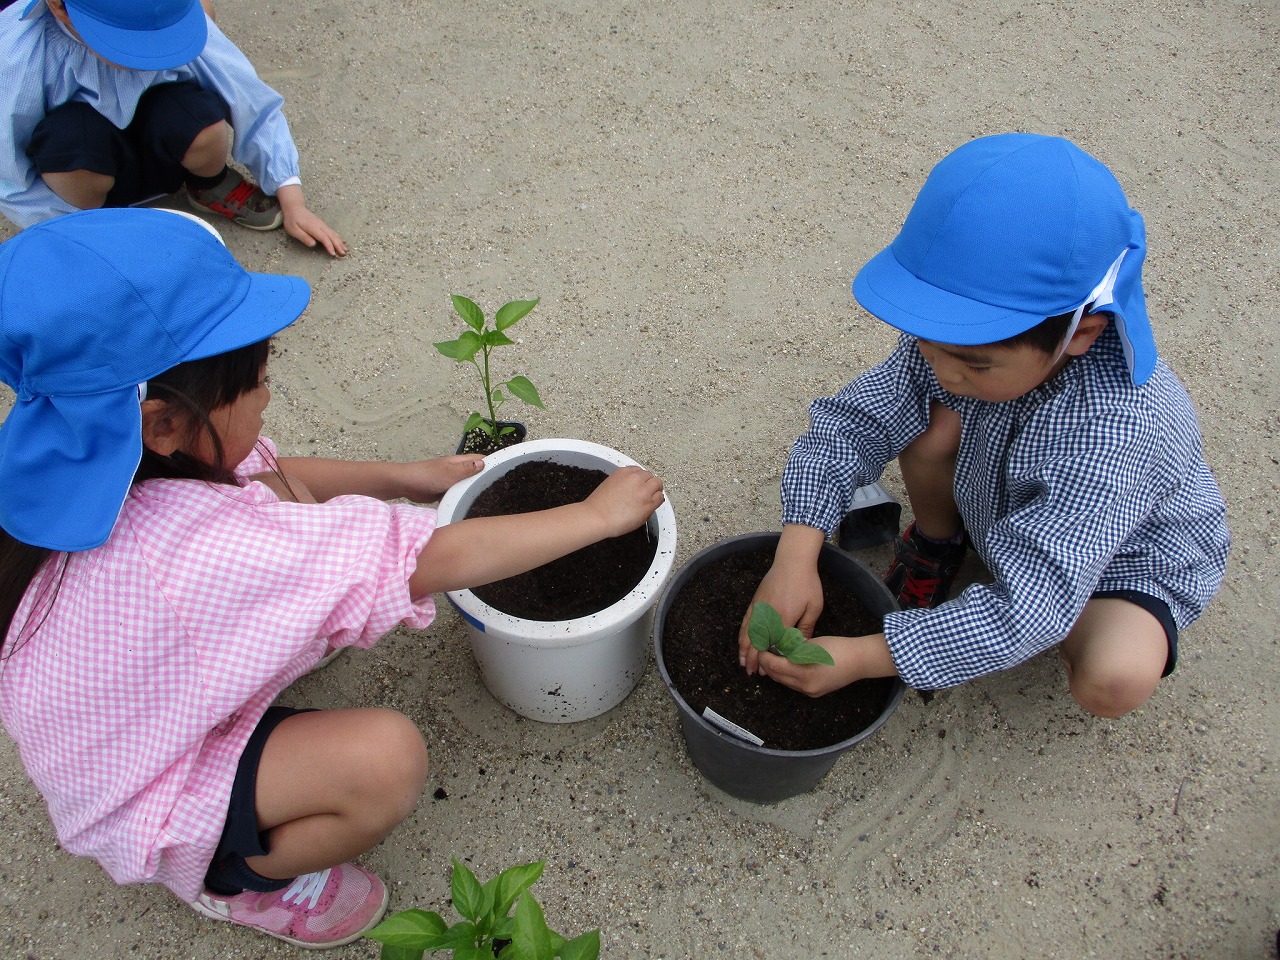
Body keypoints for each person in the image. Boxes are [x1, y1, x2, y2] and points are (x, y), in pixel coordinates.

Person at [0, 208, 664, 949]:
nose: (268, 393)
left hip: (131, 705)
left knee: (282, 505)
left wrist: (402, 476)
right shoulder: (188, 551)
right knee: (383, 763)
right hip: (143, 783)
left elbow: (270, 477)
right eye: (257, 379)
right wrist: (597, 519)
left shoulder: (85, 456)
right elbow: (427, 562)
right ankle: (236, 880)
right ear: (161, 423)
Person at [738, 133, 1229, 719]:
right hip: (997, 486)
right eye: (927, 344)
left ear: (1081, 333)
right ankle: (939, 546)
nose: (942, 372)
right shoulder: (968, 334)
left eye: (972, 363)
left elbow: (1034, 604)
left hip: (1124, 554)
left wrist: (866, 656)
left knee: (1113, 676)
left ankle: (1053, 614)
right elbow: (851, 424)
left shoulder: (1114, 432)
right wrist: (794, 557)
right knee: (924, 419)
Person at [0, 0, 347, 256]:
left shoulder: (170, 17)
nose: (151, 52)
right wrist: (78, 237)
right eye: (130, 43)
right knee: (69, 140)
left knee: (198, 113)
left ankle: (208, 184)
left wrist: (293, 200)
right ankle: (97, 224)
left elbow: (251, 101)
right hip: (86, 172)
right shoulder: (15, 55)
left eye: (164, 38)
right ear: (59, 7)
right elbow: (9, 177)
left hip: (164, 143)